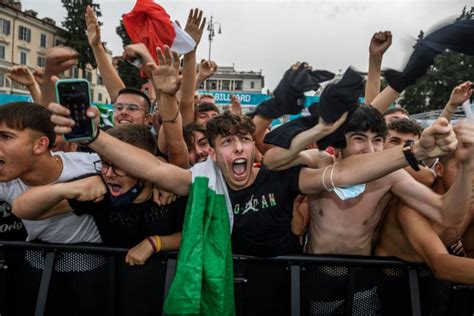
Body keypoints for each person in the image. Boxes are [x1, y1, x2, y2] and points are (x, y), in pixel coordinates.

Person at [50, 101, 460, 257]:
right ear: (213, 151)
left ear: (254, 146)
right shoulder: (203, 180)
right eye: (228, 142)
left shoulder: (280, 177)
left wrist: (414, 153)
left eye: (245, 140)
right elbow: (152, 169)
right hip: (231, 288)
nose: (240, 150)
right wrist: (95, 137)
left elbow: (345, 172)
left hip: (287, 284)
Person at [12, 124, 186, 266]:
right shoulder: (100, 195)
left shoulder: (168, 193)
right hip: (115, 287)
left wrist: (156, 243)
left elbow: (199, 234)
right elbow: (22, 209)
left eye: (118, 166)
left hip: (166, 288)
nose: (109, 173)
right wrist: (66, 189)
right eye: (104, 164)